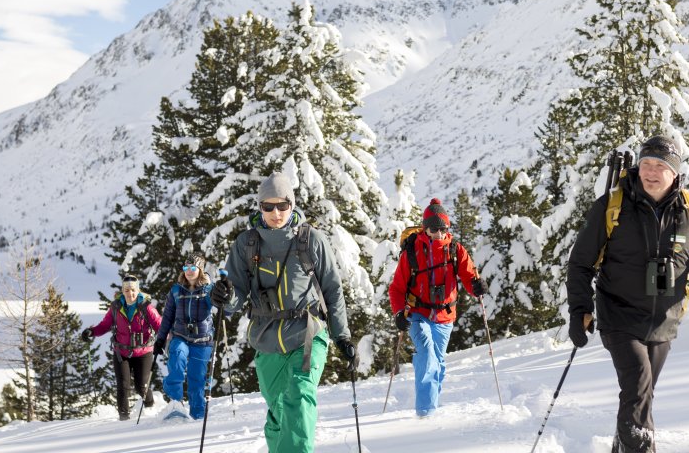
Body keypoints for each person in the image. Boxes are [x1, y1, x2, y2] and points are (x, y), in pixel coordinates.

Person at [566, 135, 689, 453]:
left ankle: (621, 446)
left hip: (664, 321)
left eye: (660, 166)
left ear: (675, 173)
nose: (651, 172)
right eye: (646, 164)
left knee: (641, 396)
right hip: (619, 315)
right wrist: (579, 311)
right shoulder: (613, 205)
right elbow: (581, 262)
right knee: (638, 385)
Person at [211, 172, 354, 453]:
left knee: (300, 397)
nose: (276, 213)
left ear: (292, 204)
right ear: (260, 207)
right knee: (277, 411)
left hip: (308, 333)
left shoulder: (311, 240)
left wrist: (342, 336)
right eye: (268, 206)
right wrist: (224, 297)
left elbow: (332, 290)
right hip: (267, 338)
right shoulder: (247, 244)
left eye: (282, 205)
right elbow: (237, 294)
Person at [387, 198, 488, 418]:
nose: (440, 234)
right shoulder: (412, 252)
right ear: (426, 229)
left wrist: (477, 286)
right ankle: (426, 412)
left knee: (438, 362)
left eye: (444, 229)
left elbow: (469, 276)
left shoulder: (455, 250)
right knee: (426, 353)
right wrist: (398, 313)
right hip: (417, 313)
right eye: (435, 229)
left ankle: (431, 403)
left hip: (445, 315)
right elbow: (396, 288)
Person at [84, 274, 162, 421]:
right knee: (123, 386)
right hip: (122, 352)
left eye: (133, 289)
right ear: (123, 291)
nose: (130, 293)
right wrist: (92, 331)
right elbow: (105, 325)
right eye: (127, 290)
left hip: (143, 352)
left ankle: (150, 406)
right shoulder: (116, 307)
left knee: (141, 387)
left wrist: (162, 340)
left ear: (137, 290)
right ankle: (123, 419)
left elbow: (160, 325)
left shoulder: (146, 307)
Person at [153, 252, 218, 420]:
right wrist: (160, 339)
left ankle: (198, 415)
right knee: (177, 358)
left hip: (202, 340)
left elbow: (224, 306)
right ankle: (176, 403)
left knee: (197, 378)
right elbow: (167, 316)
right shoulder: (176, 290)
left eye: (193, 267)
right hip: (180, 336)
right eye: (186, 267)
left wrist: (223, 296)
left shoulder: (209, 289)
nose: (189, 271)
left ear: (200, 269)